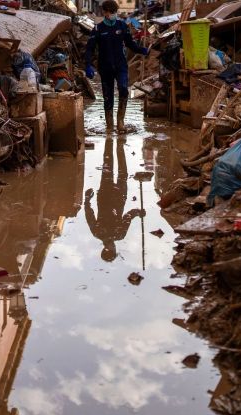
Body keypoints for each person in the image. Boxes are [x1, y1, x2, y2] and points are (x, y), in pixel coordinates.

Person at [85, 0, 148, 133]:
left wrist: (142, 50)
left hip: (121, 65)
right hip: (105, 67)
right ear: (105, 12)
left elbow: (130, 44)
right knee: (108, 96)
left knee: (123, 89)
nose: (113, 14)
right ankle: (109, 124)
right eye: (110, 12)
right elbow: (89, 49)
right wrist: (88, 65)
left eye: (114, 12)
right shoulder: (98, 29)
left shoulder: (122, 26)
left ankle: (120, 121)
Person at [85, 137, 144, 261]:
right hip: (109, 196)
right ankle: (112, 141)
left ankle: (117, 144)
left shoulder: (117, 234)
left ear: (112, 249)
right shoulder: (99, 233)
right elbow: (127, 216)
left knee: (118, 170)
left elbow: (128, 216)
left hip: (115, 196)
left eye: (113, 250)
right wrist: (137, 212)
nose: (113, 247)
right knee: (109, 167)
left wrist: (138, 212)